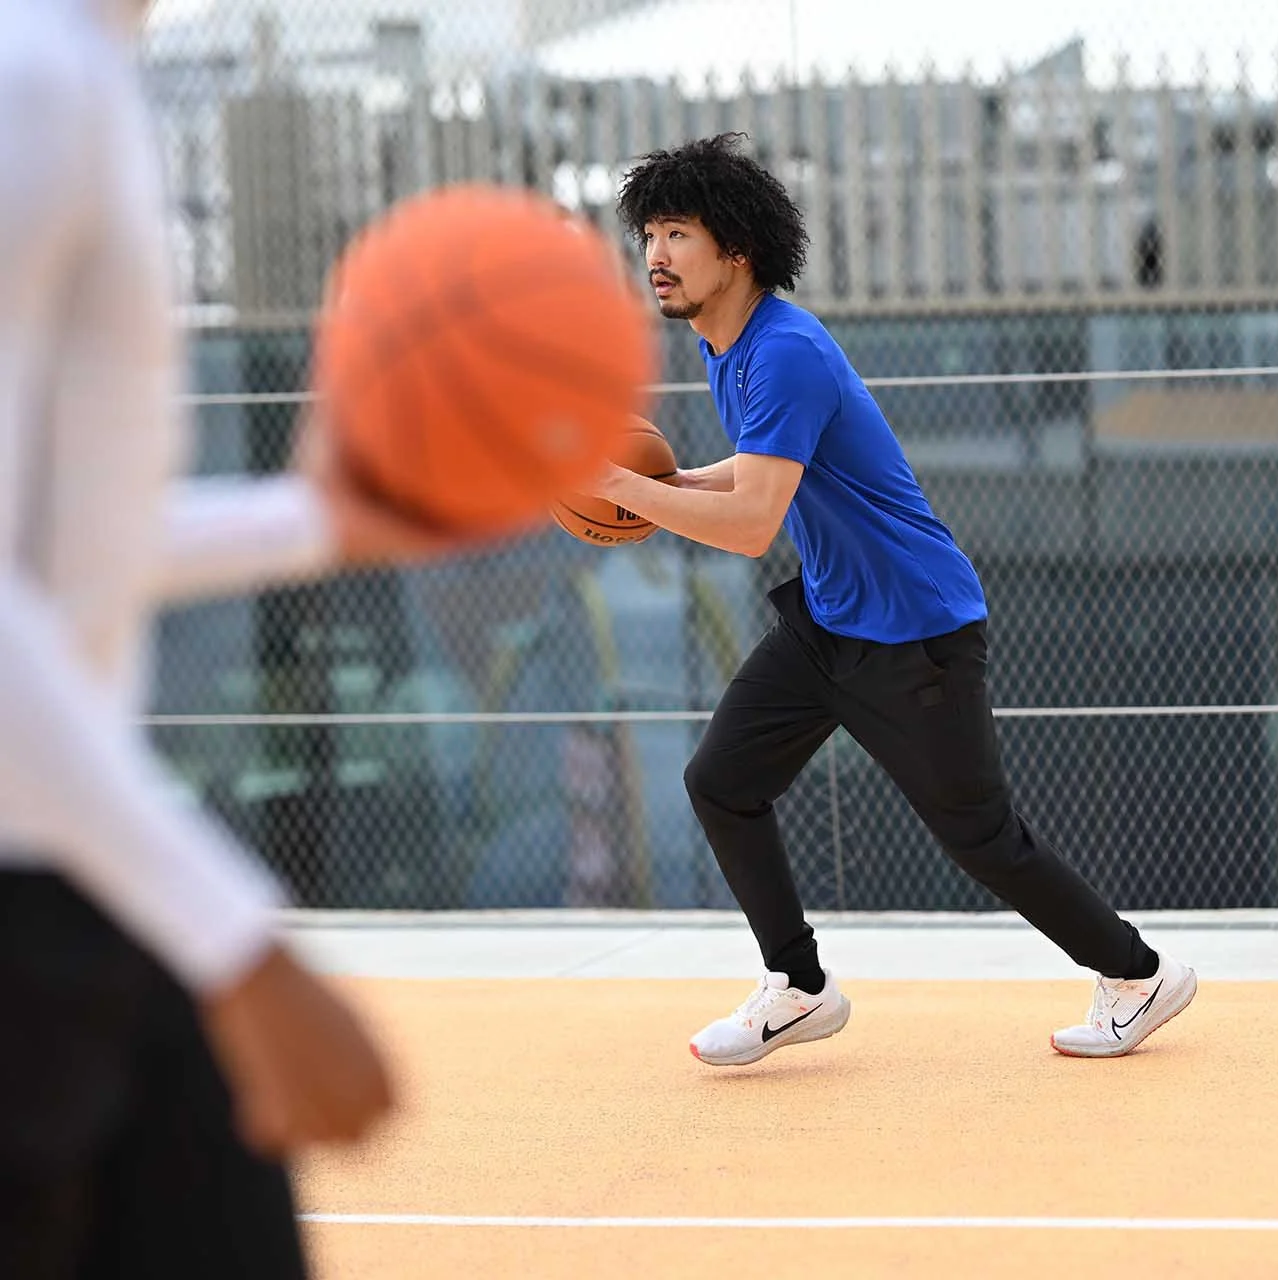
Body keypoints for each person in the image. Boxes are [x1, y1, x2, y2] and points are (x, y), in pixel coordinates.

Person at [0, 1, 500, 1274]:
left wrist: (312, 522)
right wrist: (235, 942)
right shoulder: (33, 82)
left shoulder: (78, 75)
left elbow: (53, 557)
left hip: (76, 873)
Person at [593, 133, 1197, 1067]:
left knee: (983, 839)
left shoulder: (783, 350)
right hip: (832, 622)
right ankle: (797, 986)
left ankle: (1140, 976)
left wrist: (624, 491)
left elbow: (755, 524)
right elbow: (756, 476)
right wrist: (659, 483)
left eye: (678, 233)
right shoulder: (729, 346)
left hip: (915, 629)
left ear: (737, 250)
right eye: (649, 235)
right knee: (721, 780)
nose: (657, 255)